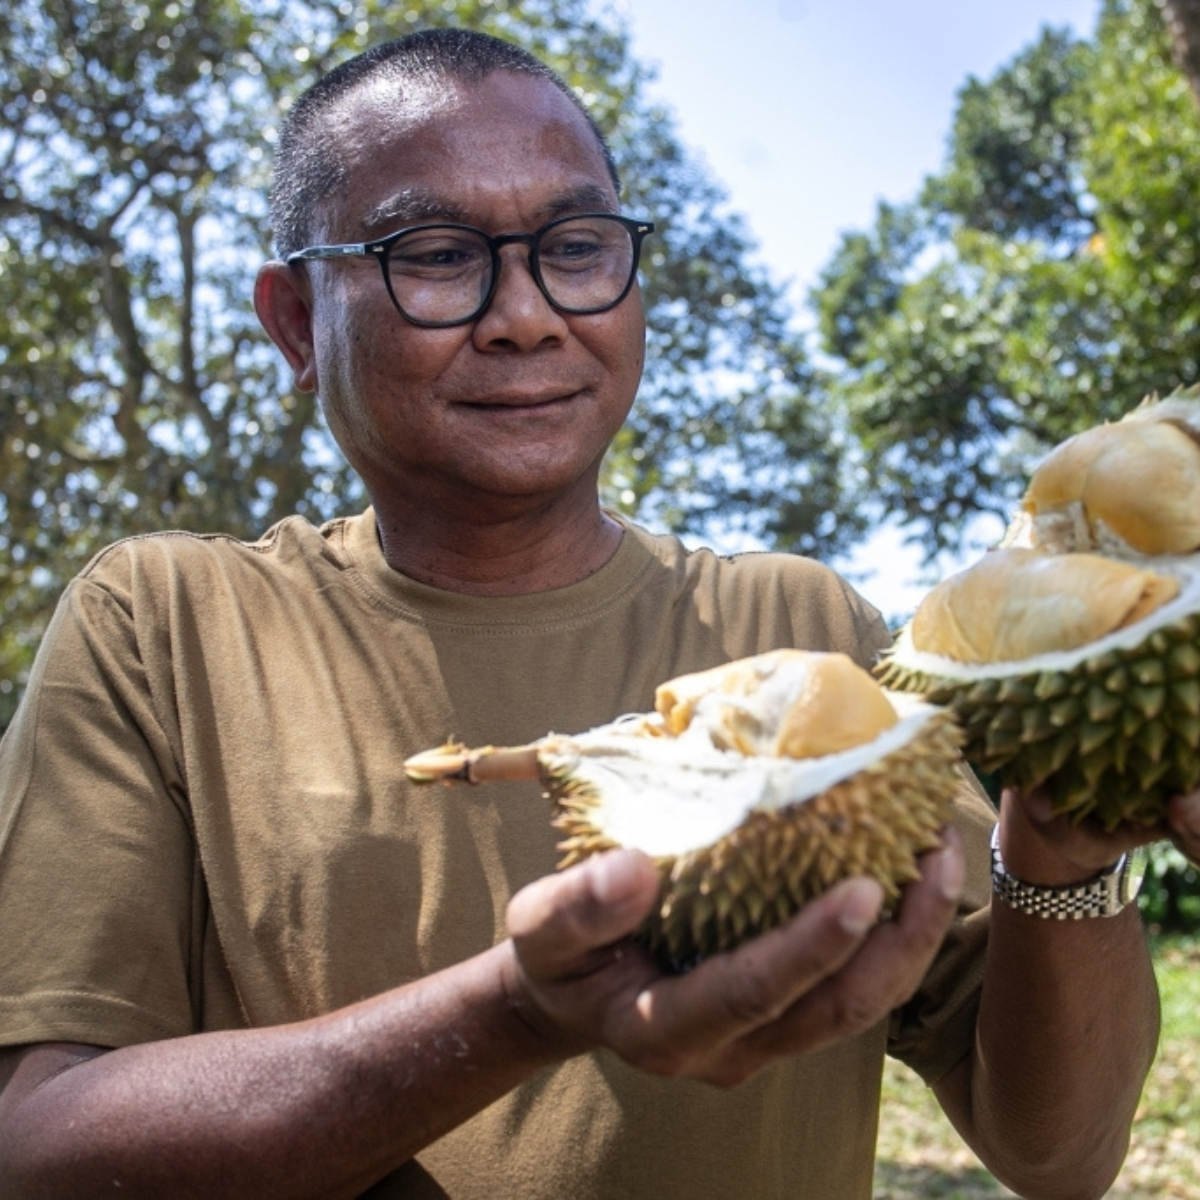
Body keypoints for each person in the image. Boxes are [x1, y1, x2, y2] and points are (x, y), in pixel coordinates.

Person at [0, 26, 1178, 1199]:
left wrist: (1062, 854)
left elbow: (1058, 1155)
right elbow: (40, 1148)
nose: (527, 314)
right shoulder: (163, 624)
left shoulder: (808, 627)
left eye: (576, 247)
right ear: (298, 324)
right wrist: (516, 1012)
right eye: (437, 254)